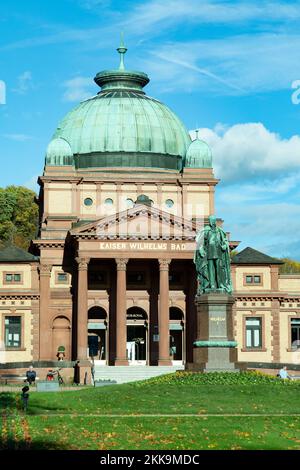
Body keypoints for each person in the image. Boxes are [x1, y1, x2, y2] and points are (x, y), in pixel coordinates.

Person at [194, 215, 232, 295]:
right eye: (211, 221)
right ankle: (212, 285)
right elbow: (201, 241)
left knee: (218, 269)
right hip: (209, 252)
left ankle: (220, 284)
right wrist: (200, 248)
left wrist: (225, 245)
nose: (212, 222)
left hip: (218, 252)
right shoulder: (206, 231)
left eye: (213, 220)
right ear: (209, 222)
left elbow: (225, 240)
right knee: (211, 269)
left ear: (215, 221)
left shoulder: (219, 231)